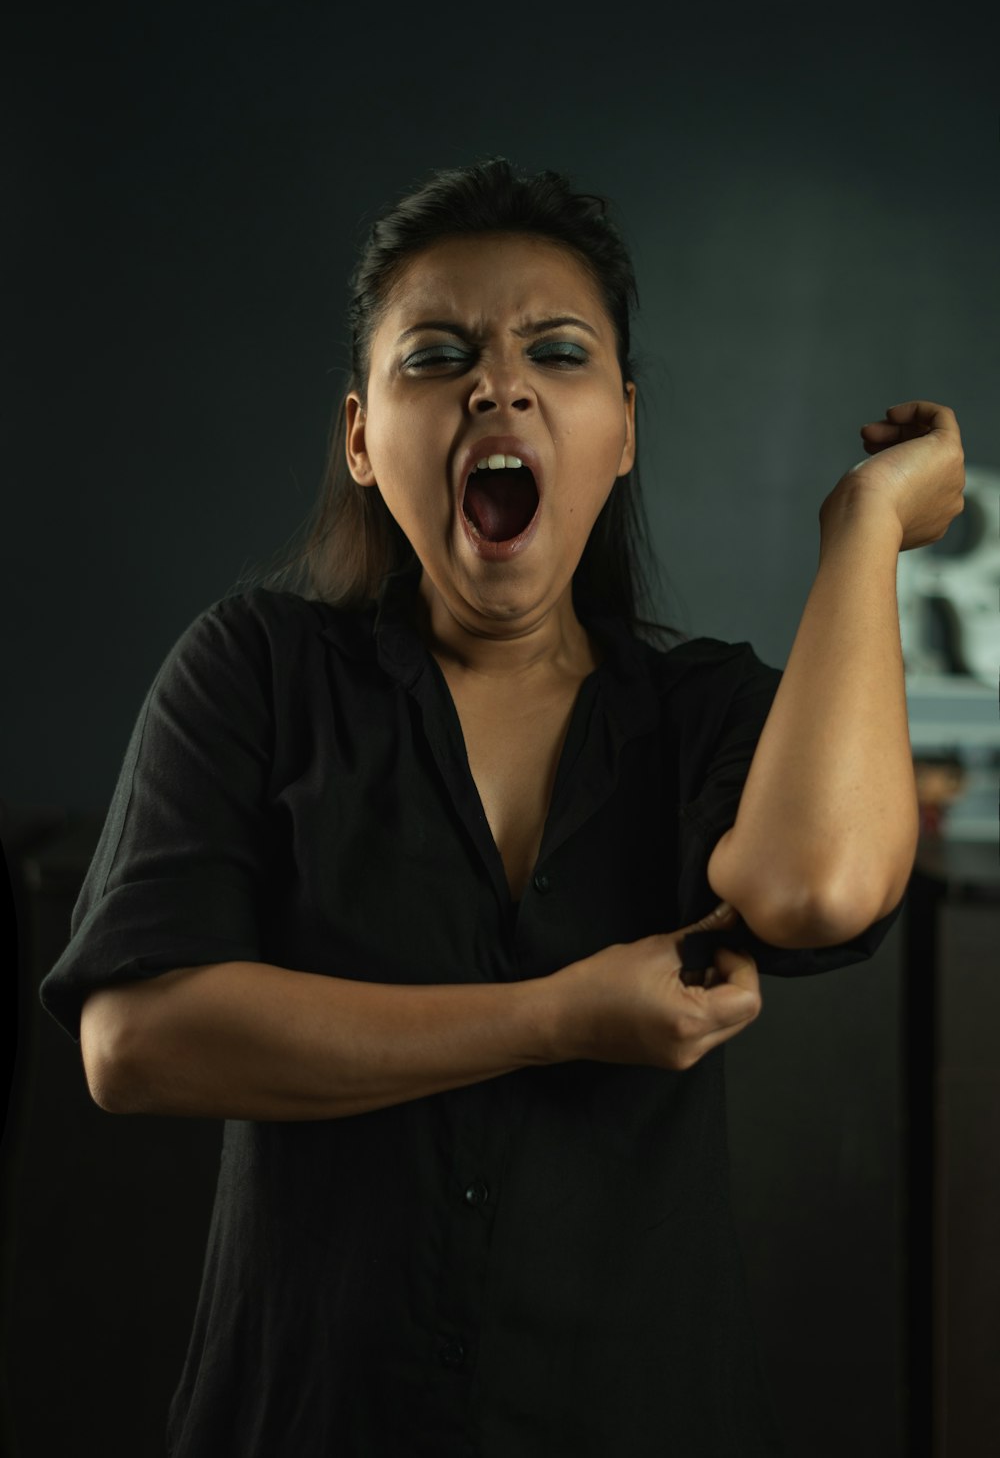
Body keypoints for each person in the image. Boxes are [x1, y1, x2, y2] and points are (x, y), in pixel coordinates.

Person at [40, 157, 965, 1457]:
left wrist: (865, 523)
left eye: (557, 350)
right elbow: (133, 1043)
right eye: (437, 354)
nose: (499, 381)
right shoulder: (251, 669)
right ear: (362, 436)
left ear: (624, 428)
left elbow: (819, 888)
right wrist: (559, 1017)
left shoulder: (705, 714)